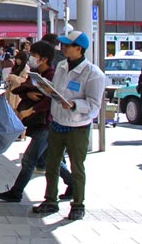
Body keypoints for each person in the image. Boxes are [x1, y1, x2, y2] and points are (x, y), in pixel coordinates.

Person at [33, 30, 104, 221]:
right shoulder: (62, 66)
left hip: (78, 127)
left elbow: (94, 106)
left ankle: (78, 204)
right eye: (63, 44)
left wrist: (74, 105)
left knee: (77, 167)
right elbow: (57, 91)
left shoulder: (94, 74)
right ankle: (50, 200)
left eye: (67, 45)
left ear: (79, 49)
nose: (63, 48)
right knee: (51, 164)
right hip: (57, 123)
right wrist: (46, 88)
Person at [0, 41, 74, 202]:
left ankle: (16, 192)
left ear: (44, 58)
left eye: (34, 55)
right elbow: (20, 89)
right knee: (50, 159)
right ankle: (73, 185)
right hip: (39, 124)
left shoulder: (52, 75)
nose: (31, 58)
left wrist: (31, 109)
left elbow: (50, 100)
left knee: (29, 160)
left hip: (46, 123)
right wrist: (29, 94)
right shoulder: (36, 74)